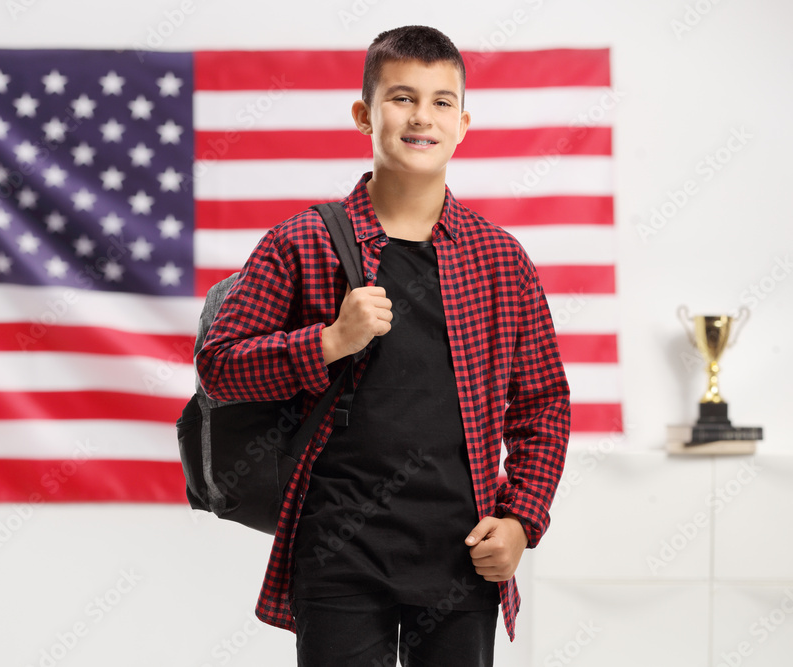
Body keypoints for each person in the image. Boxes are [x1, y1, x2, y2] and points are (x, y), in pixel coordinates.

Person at [196, 24, 570, 667]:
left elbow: (543, 404)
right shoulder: (301, 242)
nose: (421, 117)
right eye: (401, 98)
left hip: (463, 553)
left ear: (463, 123)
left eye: (440, 101)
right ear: (364, 114)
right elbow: (219, 369)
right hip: (338, 550)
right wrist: (330, 341)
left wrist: (519, 522)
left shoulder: (499, 258)